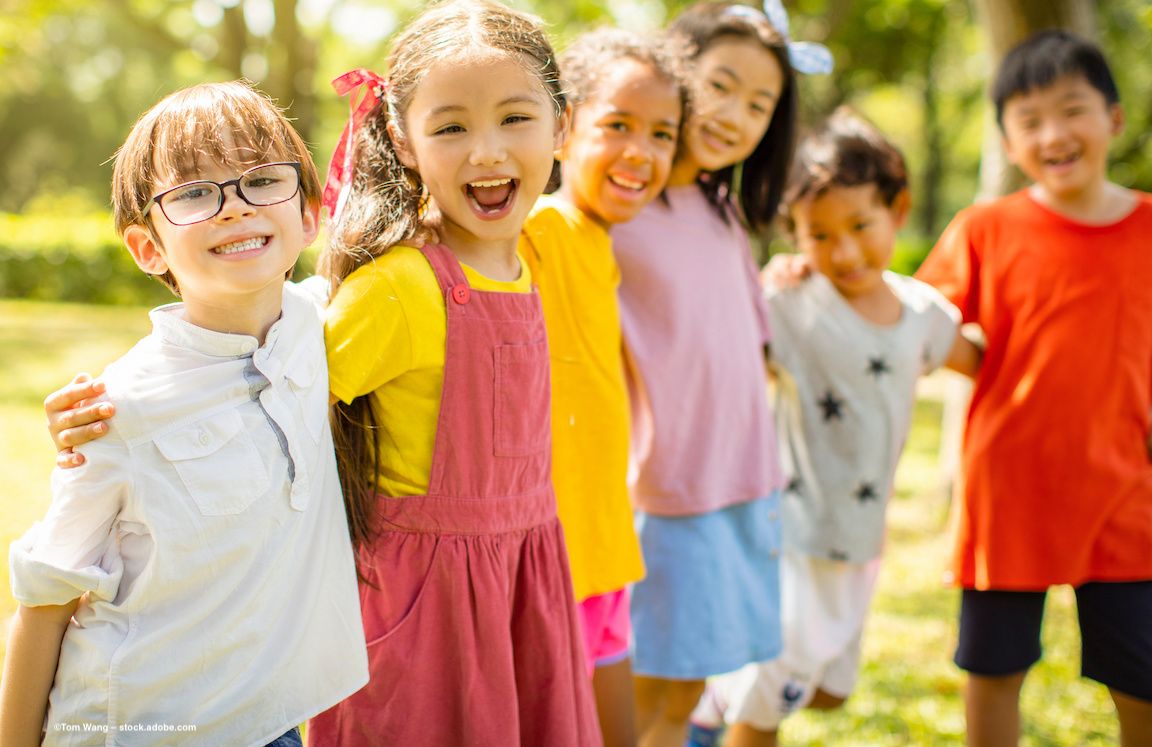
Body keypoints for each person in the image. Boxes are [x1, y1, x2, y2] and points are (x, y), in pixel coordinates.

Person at [0, 81, 367, 747]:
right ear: (147, 248)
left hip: (271, 719)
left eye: (260, 179)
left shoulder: (323, 322)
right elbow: (44, 602)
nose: (232, 207)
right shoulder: (119, 409)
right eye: (195, 192)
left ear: (311, 214)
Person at [306, 1, 598, 743]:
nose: (488, 152)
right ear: (403, 142)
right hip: (422, 607)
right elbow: (279, 401)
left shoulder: (533, 254)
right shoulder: (402, 286)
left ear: (562, 126)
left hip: (523, 583)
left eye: (514, 118)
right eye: (451, 127)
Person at [916, 30, 1152, 747]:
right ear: (1008, 142)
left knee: (1145, 681)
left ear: (1114, 118)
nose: (1053, 133)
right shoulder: (984, 228)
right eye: (1029, 120)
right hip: (1008, 495)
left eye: (1071, 109)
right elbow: (924, 327)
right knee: (993, 673)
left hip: (1122, 498)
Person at [688, 108, 981, 747]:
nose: (843, 251)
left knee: (827, 692)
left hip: (859, 540)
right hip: (787, 536)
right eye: (818, 235)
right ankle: (710, 717)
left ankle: (712, 699)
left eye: (859, 226)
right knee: (767, 700)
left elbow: (986, 361)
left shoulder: (922, 315)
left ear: (898, 210)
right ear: (794, 235)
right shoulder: (789, 304)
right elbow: (717, 347)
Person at [606, 4, 830, 744]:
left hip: (740, 486)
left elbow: (725, 336)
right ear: (676, 72)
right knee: (634, 705)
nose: (735, 114)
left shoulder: (722, 209)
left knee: (686, 700)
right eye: (720, 85)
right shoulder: (618, 206)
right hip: (662, 494)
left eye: (759, 104)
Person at [518, 28, 685, 746]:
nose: (642, 152)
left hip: (602, 550)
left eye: (662, 134)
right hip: (551, 563)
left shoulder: (595, 241)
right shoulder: (540, 228)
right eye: (617, 125)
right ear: (564, 129)